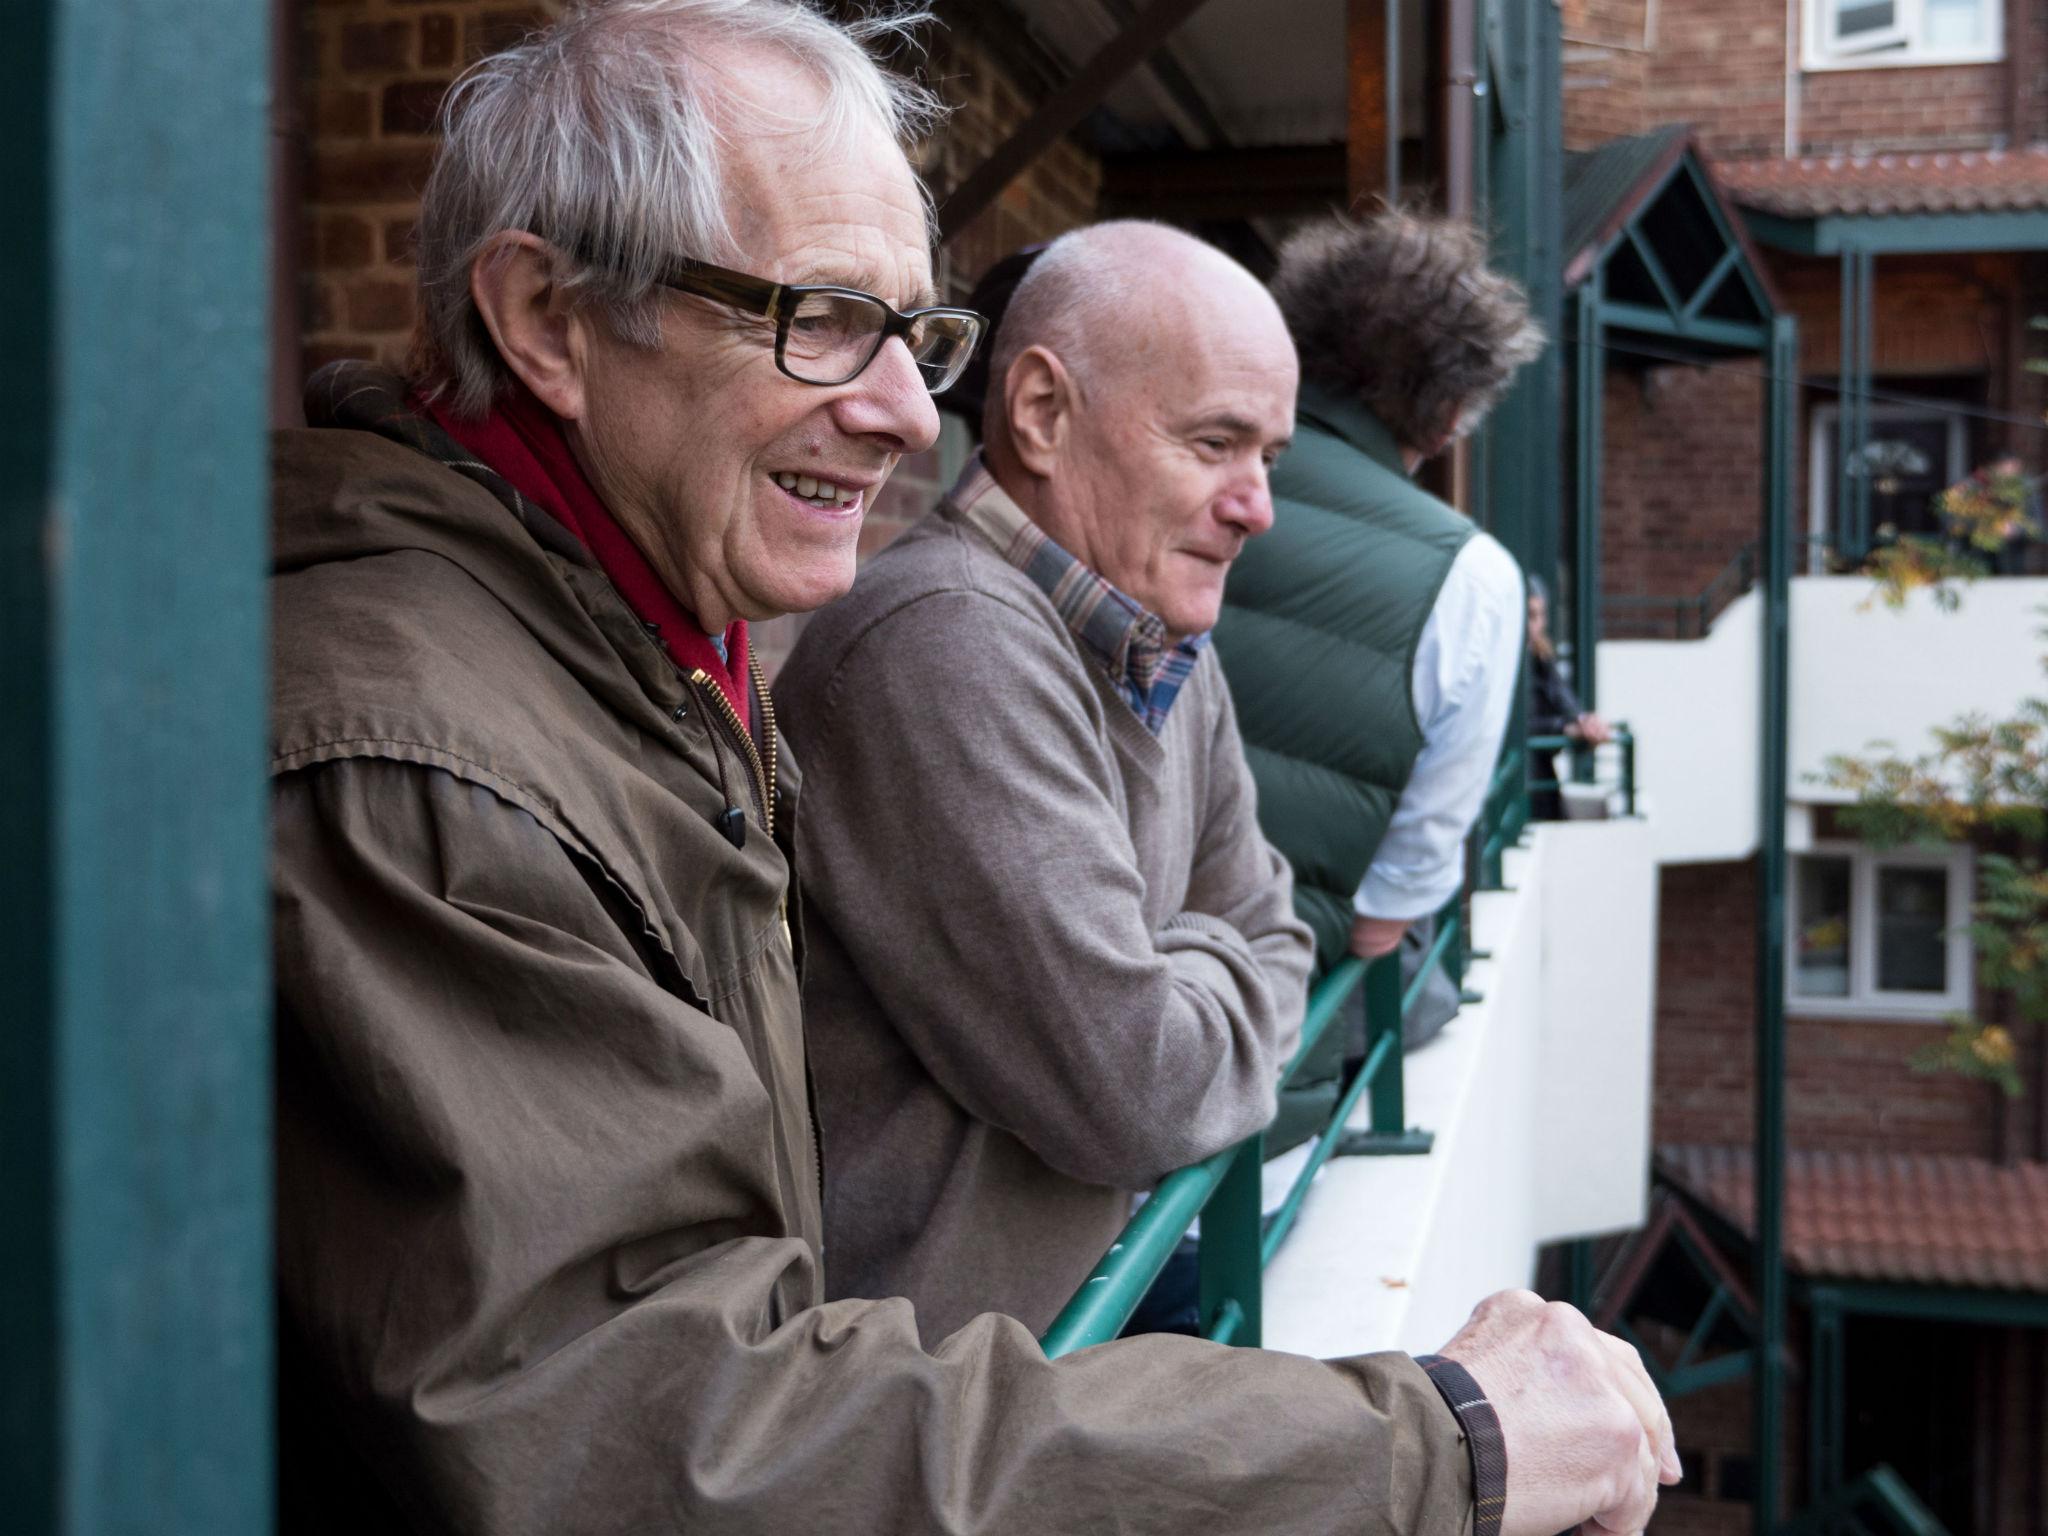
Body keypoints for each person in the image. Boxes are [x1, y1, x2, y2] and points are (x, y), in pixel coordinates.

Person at [268, 4, 1678, 1532]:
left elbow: (1258, 917)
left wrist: (1202, 963)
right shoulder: (438, 756)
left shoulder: (659, 653)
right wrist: (1435, 1444)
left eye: (912, 335)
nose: (893, 410)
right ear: (547, 318)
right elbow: (674, 1438)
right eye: (816, 316)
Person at [776, 221, 1313, 1344]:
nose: (1255, 505)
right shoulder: (943, 647)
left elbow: (1283, 935)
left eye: (1268, 457)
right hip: (953, 1386)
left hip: (1095, 1287)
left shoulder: (1164, 635)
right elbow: (1139, 1092)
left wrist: (1179, 965)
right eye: (1216, 442)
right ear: (1038, 413)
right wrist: (1203, 954)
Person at [1215, 207, 1541, 1150]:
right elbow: (1391, 909)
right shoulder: (1470, 578)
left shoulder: (1160, 472)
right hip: (1255, 1101)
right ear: (1447, 417)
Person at [1526, 576, 1614, 819]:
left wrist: (1585, 721)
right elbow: (1518, 726)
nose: (1533, 625)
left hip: (1541, 787)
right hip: (1521, 795)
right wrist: (1566, 727)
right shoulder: (1504, 664)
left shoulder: (1541, 657)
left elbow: (1563, 700)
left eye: (1538, 615)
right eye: (1529, 614)